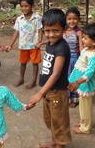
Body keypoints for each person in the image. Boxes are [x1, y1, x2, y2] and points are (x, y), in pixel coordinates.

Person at [29, 9, 72, 148]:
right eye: (48, 31)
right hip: (49, 90)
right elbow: (49, 41)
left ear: (64, 29)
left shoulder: (62, 48)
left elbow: (56, 74)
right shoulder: (50, 43)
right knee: (51, 119)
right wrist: (42, 43)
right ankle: (53, 142)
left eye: (56, 31)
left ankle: (59, 145)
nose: (51, 35)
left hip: (57, 93)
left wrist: (39, 93)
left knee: (59, 122)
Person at [67, 22, 95, 135]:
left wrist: (77, 82)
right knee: (83, 106)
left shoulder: (93, 56)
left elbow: (89, 72)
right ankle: (84, 121)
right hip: (81, 83)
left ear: (94, 42)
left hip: (85, 84)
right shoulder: (87, 49)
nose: (82, 40)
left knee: (85, 107)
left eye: (85, 38)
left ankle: (85, 128)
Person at [4, 0, 43, 89]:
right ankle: (21, 79)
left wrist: (39, 41)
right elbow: (16, 33)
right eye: (22, 6)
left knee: (35, 63)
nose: (24, 8)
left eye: (26, 6)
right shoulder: (19, 19)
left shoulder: (37, 18)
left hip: (34, 46)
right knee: (23, 63)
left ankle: (33, 81)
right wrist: (10, 45)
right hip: (23, 45)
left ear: (32, 6)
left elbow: (40, 30)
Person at [63, 7, 83, 108]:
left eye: (74, 18)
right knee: (65, 79)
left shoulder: (78, 32)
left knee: (73, 79)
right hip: (64, 60)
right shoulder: (63, 30)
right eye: (69, 19)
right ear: (66, 19)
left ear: (79, 19)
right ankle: (67, 97)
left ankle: (74, 99)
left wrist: (84, 59)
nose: (72, 21)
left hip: (75, 60)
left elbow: (81, 47)